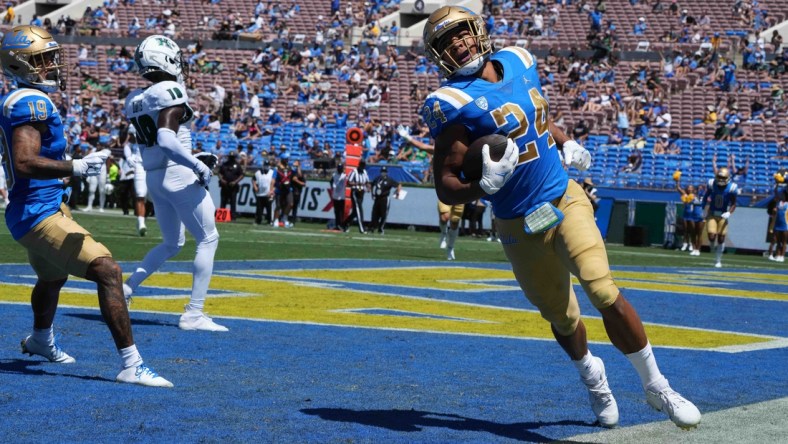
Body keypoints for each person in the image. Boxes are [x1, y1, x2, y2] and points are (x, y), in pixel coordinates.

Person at [422, 6, 700, 429]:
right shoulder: (450, 103)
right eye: (447, 42)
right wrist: (482, 187)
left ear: (478, 31)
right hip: (517, 221)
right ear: (439, 54)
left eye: (461, 33)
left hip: (562, 196)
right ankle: (593, 376)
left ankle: (657, 385)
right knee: (562, 317)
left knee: (602, 289)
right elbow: (444, 181)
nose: (458, 44)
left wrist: (566, 141)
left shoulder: (518, 60)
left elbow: (534, 120)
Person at [0, 25, 171, 387]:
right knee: (108, 271)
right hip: (38, 214)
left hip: (37, 207)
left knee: (52, 277)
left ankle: (40, 340)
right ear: (20, 64)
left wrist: (62, 175)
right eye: (42, 59)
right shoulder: (31, 101)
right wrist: (74, 166)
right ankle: (131, 364)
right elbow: (25, 160)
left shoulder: (23, 99)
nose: (51, 64)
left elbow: (27, 165)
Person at [121, 34, 226, 332]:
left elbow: (160, 140)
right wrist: (196, 165)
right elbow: (167, 139)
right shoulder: (169, 90)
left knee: (172, 243)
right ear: (164, 58)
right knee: (208, 239)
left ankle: (127, 289)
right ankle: (194, 313)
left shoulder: (135, 98)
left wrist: (192, 155)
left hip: (155, 177)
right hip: (177, 173)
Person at [703, 167, 738, 268]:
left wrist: (729, 213)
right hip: (712, 214)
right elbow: (706, 196)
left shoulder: (732, 188)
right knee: (711, 236)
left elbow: (734, 204)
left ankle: (718, 260)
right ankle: (712, 246)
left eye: (723, 177)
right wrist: (703, 208)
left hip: (723, 215)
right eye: (719, 177)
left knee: (721, 238)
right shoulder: (711, 184)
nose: (721, 179)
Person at [123, 127, 148, 236]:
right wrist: (128, 157)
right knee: (140, 194)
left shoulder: (160, 120)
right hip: (140, 165)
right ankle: (141, 223)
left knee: (152, 198)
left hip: (155, 165)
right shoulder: (136, 123)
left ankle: (141, 220)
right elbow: (128, 144)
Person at [674, 172, 705, 256]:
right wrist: (677, 181)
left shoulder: (699, 195)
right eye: (689, 188)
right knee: (690, 231)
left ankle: (696, 248)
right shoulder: (686, 195)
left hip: (700, 215)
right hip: (690, 215)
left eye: (692, 188)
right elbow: (678, 189)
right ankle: (690, 246)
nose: (690, 189)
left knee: (698, 232)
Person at [369, 166, 401, 234]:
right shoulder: (377, 179)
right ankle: (372, 227)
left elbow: (398, 185)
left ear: (387, 172)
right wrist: (372, 194)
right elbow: (372, 185)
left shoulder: (389, 180)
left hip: (385, 198)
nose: (383, 173)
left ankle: (381, 228)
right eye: (382, 172)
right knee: (375, 213)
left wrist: (397, 192)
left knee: (383, 214)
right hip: (377, 198)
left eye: (384, 172)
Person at [218, 150, 244, 220]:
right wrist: (222, 180)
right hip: (224, 185)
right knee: (223, 201)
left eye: (232, 157)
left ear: (234, 157)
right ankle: (221, 216)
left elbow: (241, 175)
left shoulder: (237, 165)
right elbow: (220, 173)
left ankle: (233, 216)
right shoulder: (224, 164)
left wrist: (235, 182)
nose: (231, 158)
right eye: (230, 157)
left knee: (233, 201)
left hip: (233, 186)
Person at [346, 159, 370, 233]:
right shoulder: (354, 172)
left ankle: (344, 224)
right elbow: (348, 182)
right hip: (355, 192)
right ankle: (362, 228)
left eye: (363, 165)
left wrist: (368, 187)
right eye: (361, 165)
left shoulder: (365, 172)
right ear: (359, 165)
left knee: (355, 212)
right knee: (359, 210)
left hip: (361, 192)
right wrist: (357, 184)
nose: (362, 167)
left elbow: (367, 182)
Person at [84, 146, 108, 212]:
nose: (98, 146)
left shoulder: (106, 151)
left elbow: (108, 161)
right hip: (94, 170)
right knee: (91, 190)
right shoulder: (93, 150)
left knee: (102, 191)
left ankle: (101, 207)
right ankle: (89, 206)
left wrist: (108, 174)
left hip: (102, 171)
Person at [252, 159, 275, 225]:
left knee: (269, 208)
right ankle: (258, 220)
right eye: (265, 165)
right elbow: (253, 179)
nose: (266, 167)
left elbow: (274, 182)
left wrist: (272, 191)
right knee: (259, 209)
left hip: (268, 193)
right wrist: (255, 186)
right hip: (260, 193)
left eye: (267, 165)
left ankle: (269, 220)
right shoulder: (258, 173)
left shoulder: (272, 172)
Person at [769, 185, 787, 263]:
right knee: (778, 241)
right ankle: (778, 255)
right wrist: (776, 186)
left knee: (784, 242)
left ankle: (782, 256)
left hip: (785, 224)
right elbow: (776, 194)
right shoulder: (779, 203)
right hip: (777, 224)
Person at [329, 163, 348, 231]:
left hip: (342, 196)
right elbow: (331, 182)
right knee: (336, 211)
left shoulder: (344, 175)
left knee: (341, 212)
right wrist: (332, 188)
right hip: (335, 196)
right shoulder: (334, 175)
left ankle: (341, 225)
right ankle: (337, 225)